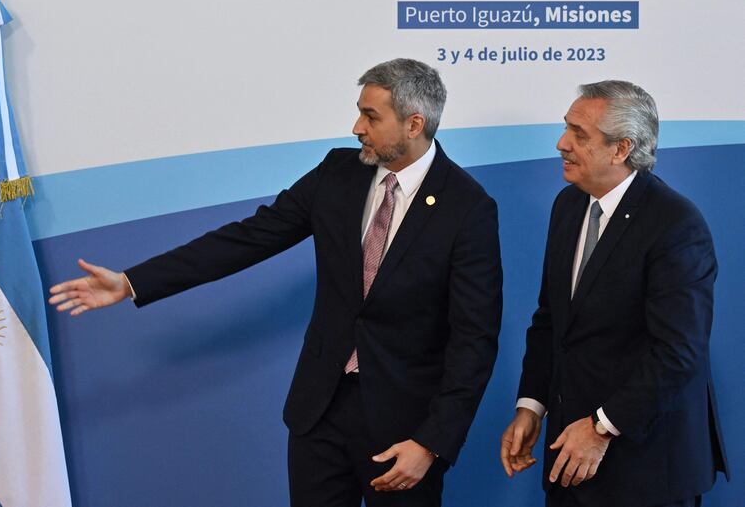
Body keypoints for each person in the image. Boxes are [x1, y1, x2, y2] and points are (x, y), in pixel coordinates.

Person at [50, 58, 503, 507]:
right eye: (359, 111)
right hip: (319, 412)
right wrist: (133, 282)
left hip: (404, 428)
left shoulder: (467, 207)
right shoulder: (337, 172)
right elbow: (248, 238)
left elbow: (474, 338)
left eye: (371, 116)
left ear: (414, 124)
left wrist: (432, 443)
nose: (355, 127)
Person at [500, 80, 729, 507]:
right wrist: (531, 407)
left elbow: (679, 352)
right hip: (569, 460)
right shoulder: (568, 205)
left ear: (621, 149)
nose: (561, 143)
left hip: (645, 468)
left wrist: (601, 427)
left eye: (579, 134)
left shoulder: (675, 224)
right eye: (566, 128)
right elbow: (551, 321)